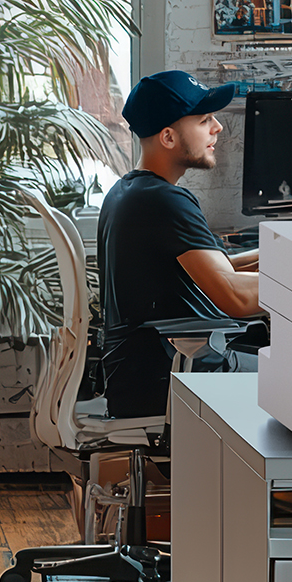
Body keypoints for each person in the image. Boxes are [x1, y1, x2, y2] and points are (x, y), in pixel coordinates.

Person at [99, 70, 266, 419]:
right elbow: (233, 297)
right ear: (169, 137)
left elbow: (218, 269)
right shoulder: (166, 201)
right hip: (168, 381)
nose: (217, 127)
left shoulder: (129, 192)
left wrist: (290, 257)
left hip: (141, 376)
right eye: (204, 120)